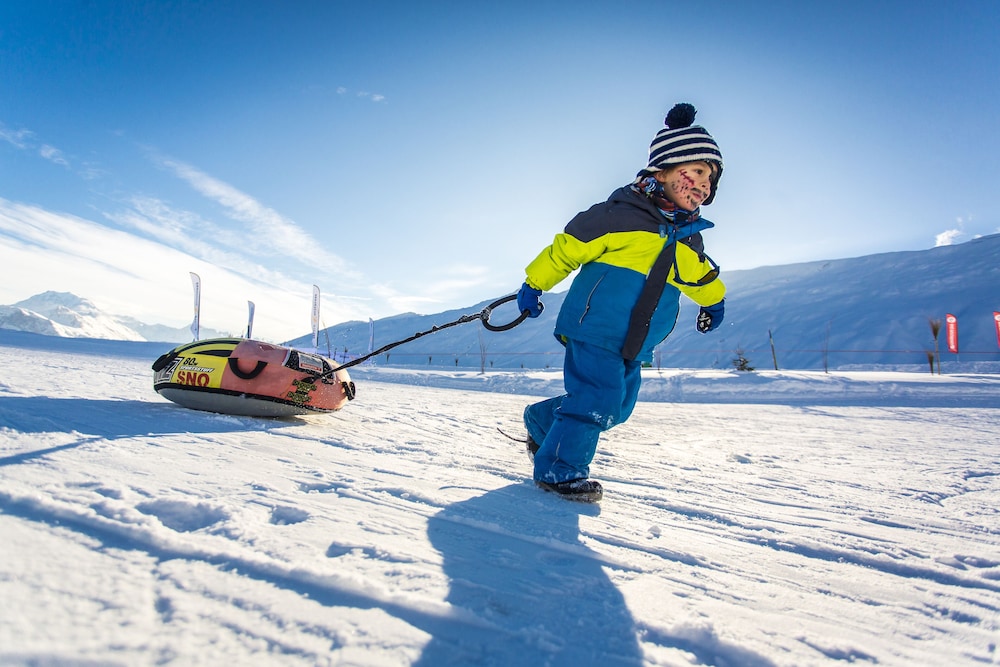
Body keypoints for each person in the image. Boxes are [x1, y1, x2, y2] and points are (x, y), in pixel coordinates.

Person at [515, 102, 727, 502]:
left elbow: (701, 276)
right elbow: (566, 249)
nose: (703, 184)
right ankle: (559, 471)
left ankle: (543, 421)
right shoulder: (618, 215)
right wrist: (534, 284)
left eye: (710, 180)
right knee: (597, 398)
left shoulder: (688, 238)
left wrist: (713, 303)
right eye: (697, 171)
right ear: (661, 171)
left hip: (637, 339)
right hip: (594, 326)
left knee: (617, 408)